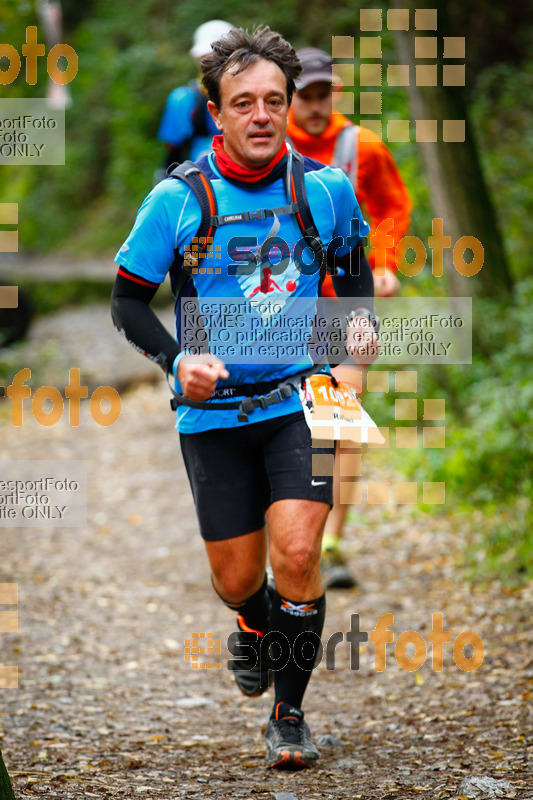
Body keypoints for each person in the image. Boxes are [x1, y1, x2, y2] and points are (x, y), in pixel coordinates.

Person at [111, 26, 378, 770]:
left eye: (273, 101)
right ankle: (254, 625)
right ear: (215, 111)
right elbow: (127, 304)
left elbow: (352, 274)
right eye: (243, 103)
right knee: (236, 579)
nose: (261, 115)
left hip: (304, 396)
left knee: (297, 553)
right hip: (214, 416)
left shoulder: (322, 187)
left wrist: (354, 321)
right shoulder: (176, 200)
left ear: (289, 105)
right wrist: (176, 359)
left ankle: (288, 716)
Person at [287, 47, 412, 590]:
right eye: (305, 96)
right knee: (289, 425)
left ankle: (331, 543)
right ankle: (288, 538)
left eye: (323, 95)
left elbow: (392, 207)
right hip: (283, 309)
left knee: (341, 424)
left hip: (346, 305)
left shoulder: (361, 146)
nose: (315, 107)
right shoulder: (269, 144)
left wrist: (383, 263)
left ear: (335, 93)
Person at [156, 19, 234, 174]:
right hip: (193, 183)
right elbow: (172, 152)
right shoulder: (182, 100)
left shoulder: (253, 97)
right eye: (208, 58)